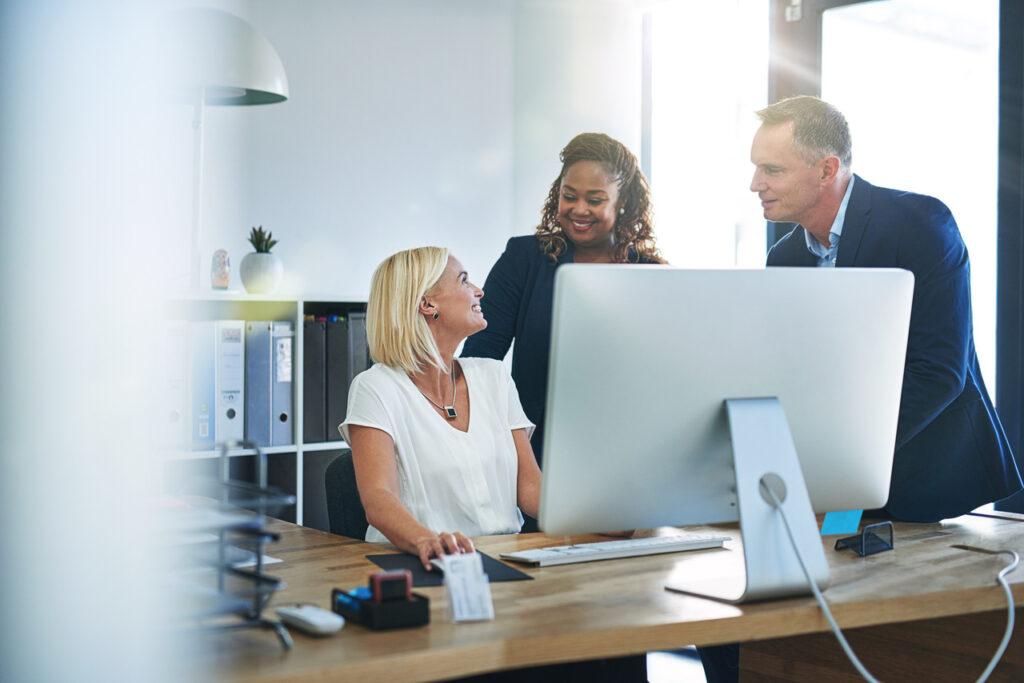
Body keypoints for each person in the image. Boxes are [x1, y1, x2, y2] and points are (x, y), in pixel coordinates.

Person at [750, 95, 1021, 523]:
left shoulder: (920, 225)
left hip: (927, 484)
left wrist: (841, 460)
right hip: (838, 490)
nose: (755, 184)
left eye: (772, 170)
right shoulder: (785, 258)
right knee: (824, 576)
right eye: (756, 167)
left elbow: (939, 372)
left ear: (826, 170)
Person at [462, 132, 664, 504]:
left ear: (624, 203)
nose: (579, 209)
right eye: (568, 196)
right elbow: (479, 359)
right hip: (534, 455)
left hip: (625, 456)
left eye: (596, 199)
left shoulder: (651, 274)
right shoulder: (524, 259)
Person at [339, 246, 542, 570]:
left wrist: (595, 517)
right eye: (464, 281)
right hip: (422, 563)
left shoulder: (494, 376)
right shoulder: (376, 387)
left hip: (505, 557)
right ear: (427, 303)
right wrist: (426, 541)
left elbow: (529, 486)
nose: (479, 291)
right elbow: (378, 499)